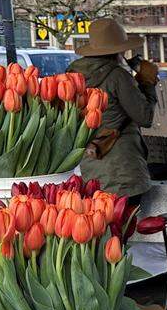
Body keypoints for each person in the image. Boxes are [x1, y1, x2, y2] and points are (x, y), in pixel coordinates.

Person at [68, 18, 158, 206]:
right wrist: (147, 83)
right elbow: (145, 117)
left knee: (102, 221)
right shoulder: (118, 76)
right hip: (122, 169)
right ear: (118, 51)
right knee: (125, 221)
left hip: (91, 165)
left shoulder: (72, 76)